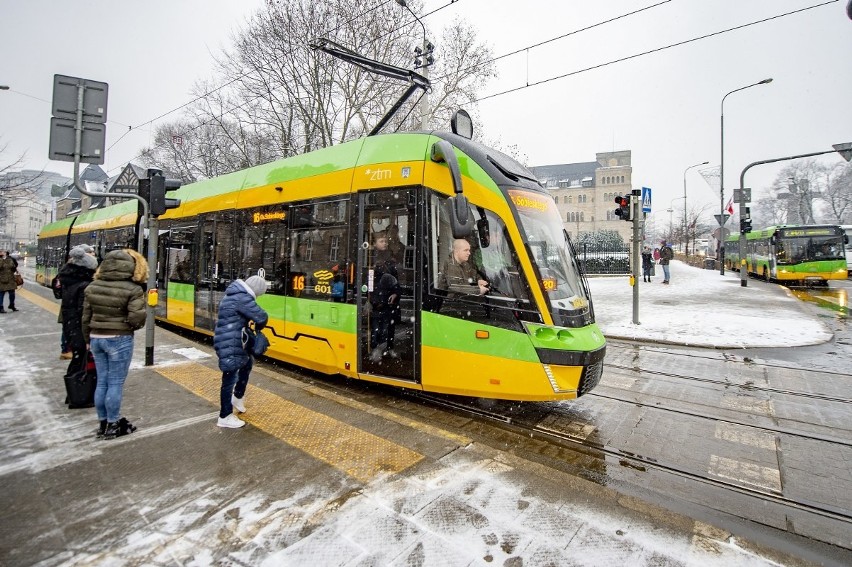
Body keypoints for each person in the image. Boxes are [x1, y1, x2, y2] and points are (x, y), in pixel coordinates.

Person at [82, 249, 148, 439]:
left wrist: (88, 339)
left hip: (96, 338)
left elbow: (85, 318)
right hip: (119, 338)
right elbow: (137, 318)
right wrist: (127, 325)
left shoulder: (92, 286)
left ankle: (103, 423)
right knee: (116, 382)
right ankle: (113, 424)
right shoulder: (133, 289)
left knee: (102, 381)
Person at [213, 275, 269, 428]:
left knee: (247, 363)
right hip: (230, 342)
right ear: (255, 290)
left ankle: (237, 396)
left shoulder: (236, 294)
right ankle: (224, 416)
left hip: (230, 339)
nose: (257, 297)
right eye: (258, 294)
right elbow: (262, 316)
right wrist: (258, 326)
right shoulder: (242, 298)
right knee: (229, 378)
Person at [58, 245, 98, 383]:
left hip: (71, 325)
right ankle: (78, 393)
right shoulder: (84, 285)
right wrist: (88, 337)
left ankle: (74, 390)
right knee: (81, 361)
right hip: (79, 328)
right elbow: (84, 313)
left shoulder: (68, 279)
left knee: (78, 360)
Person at [370, 260, 401, 362]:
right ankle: (378, 350)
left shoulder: (388, 274)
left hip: (386, 307)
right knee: (379, 330)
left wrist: (395, 294)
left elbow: (396, 287)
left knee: (384, 330)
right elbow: (369, 290)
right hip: (381, 307)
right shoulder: (375, 275)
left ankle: (382, 350)